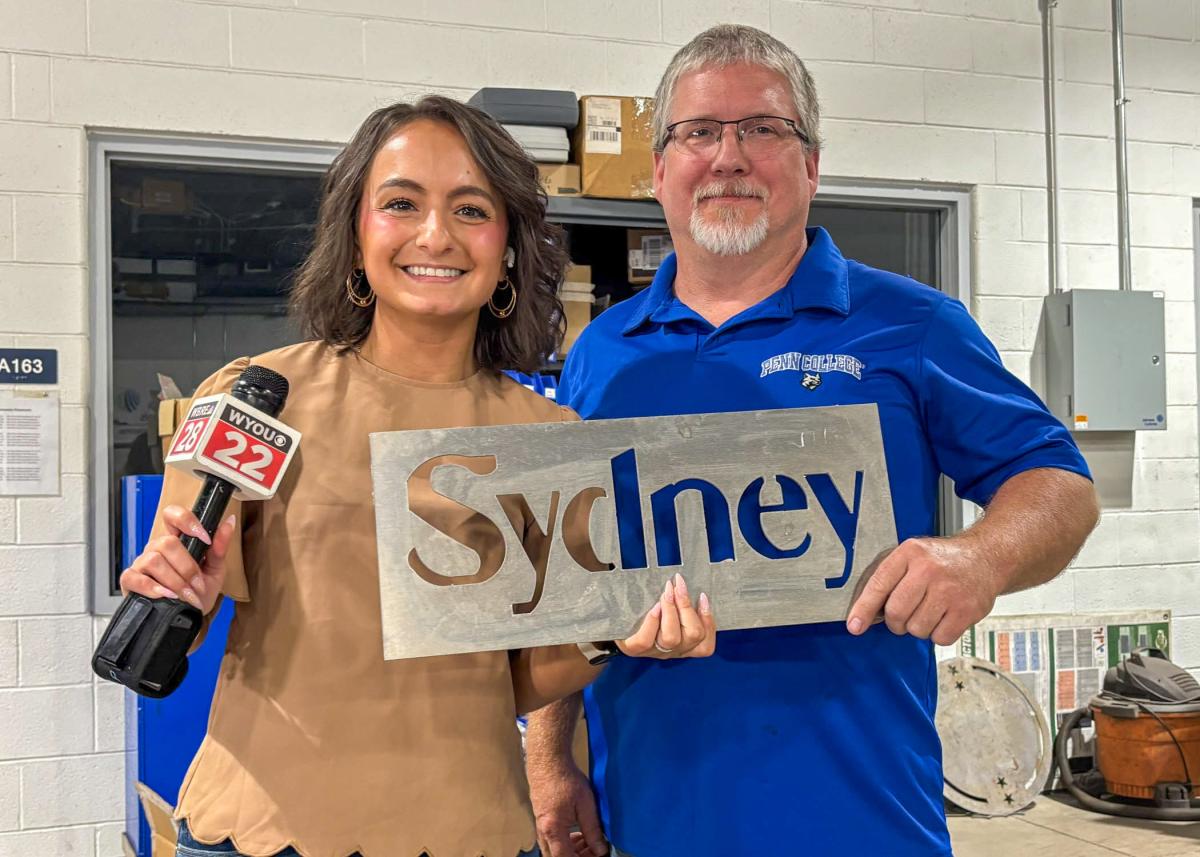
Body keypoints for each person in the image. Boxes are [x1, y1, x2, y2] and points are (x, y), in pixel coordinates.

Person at [524, 25, 1100, 857]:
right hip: (651, 817)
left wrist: (980, 557)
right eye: (697, 131)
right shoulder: (601, 355)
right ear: (658, 172)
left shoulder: (912, 325)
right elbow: (563, 580)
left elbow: (1061, 483)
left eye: (763, 129)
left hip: (861, 820)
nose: (728, 156)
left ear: (812, 165)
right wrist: (549, 761)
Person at [118, 96, 715, 857]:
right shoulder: (254, 397)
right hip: (260, 829)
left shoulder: (549, 441)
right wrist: (174, 597)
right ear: (357, 231)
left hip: (470, 828)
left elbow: (530, 675)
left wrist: (620, 633)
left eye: (470, 209)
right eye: (401, 203)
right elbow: (182, 616)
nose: (435, 234)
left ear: (507, 248)